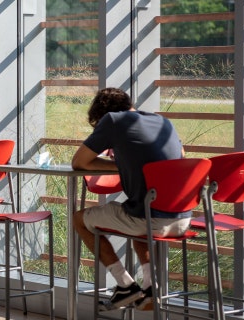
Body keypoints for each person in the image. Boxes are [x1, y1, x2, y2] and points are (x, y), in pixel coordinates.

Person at [71, 88, 187, 311]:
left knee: (79, 219)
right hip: (182, 218)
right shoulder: (163, 122)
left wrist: (119, 164)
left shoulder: (113, 121)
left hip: (152, 220)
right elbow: (180, 156)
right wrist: (128, 162)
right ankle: (151, 289)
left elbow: (79, 162)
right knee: (136, 214)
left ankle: (125, 285)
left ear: (103, 113)